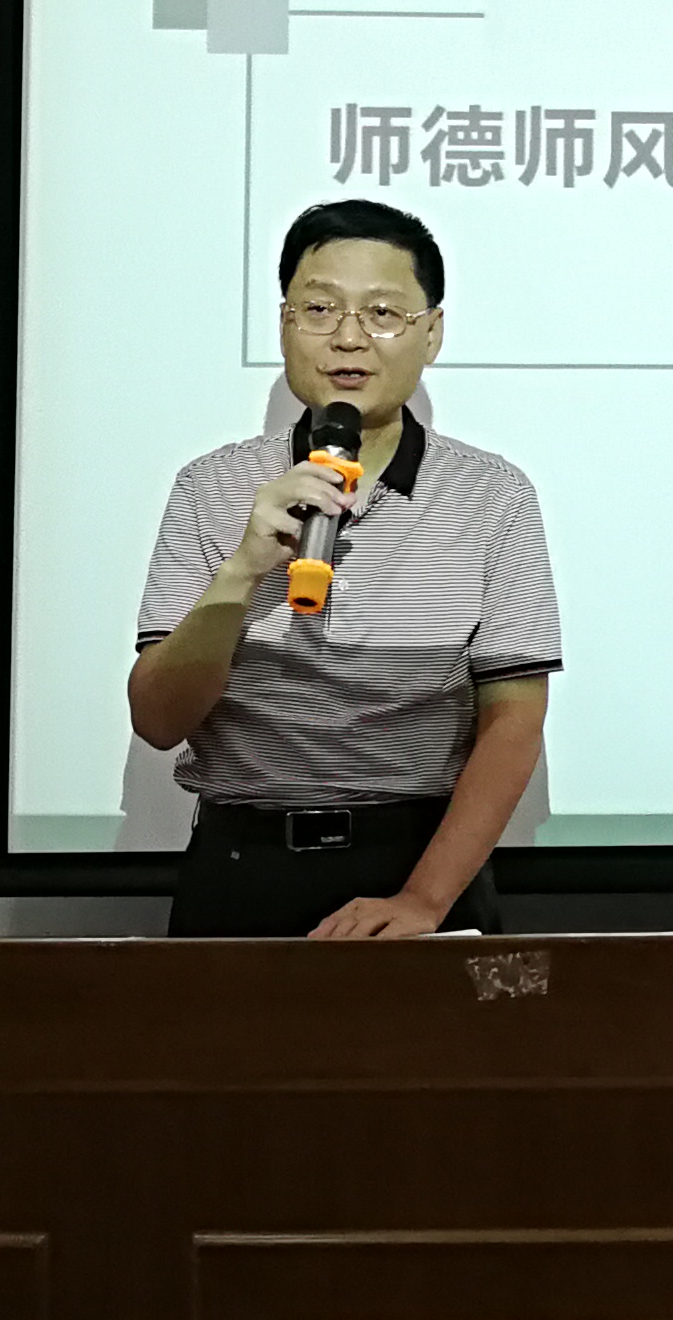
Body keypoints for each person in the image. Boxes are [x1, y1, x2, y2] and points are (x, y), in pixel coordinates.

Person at [129, 199, 559, 938]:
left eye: (383, 313)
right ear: (285, 325)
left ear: (432, 333)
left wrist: (423, 901)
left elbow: (514, 720)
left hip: (421, 863)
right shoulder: (210, 487)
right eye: (320, 309)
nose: (349, 338)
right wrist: (242, 571)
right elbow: (159, 720)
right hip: (241, 867)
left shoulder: (492, 495)